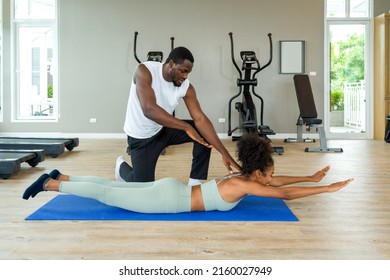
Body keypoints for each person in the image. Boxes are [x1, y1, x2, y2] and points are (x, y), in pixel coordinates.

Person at [23, 134, 353, 214]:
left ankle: (62, 177)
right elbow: (282, 193)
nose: (272, 177)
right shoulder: (245, 183)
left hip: (171, 189)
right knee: (109, 194)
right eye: (269, 172)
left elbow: (277, 182)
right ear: (257, 172)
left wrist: (310, 178)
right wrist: (327, 190)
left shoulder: (243, 176)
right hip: (168, 200)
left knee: (110, 186)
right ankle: (52, 184)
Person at [117, 46, 240, 186]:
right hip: (141, 137)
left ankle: (195, 182)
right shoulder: (145, 71)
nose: (185, 76)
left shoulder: (186, 87)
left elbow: (200, 119)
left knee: (201, 131)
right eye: (183, 71)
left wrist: (224, 152)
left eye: (188, 72)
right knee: (143, 188)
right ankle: (121, 168)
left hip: (162, 130)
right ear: (171, 64)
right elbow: (149, 109)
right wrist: (186, 127)